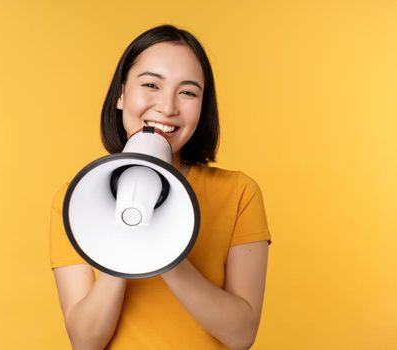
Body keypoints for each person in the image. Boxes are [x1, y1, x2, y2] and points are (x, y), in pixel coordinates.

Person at [50, 24, 271, 349]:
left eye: (188, 92)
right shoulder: (76, 198)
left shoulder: (239, 192)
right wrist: (127, 235)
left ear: (202, 107)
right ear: (121, 95)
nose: (168, 107)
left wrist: (165, 249)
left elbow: (241, 335)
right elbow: (85, 342)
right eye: (151, 84)